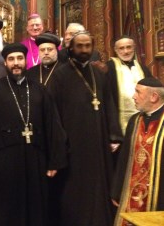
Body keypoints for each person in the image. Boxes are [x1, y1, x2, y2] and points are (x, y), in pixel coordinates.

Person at [0, 43, 67, 226]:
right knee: (5, 208)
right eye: (11, 59)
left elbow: (52, 125)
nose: (16, 63)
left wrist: (55, 159)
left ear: (25, 61)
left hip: (35, 157)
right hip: (3, 160)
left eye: (19, 58)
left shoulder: (39, 90)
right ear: (5, 63)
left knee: (35, 207)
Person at [47, 31, 123, 226]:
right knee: (76, 189)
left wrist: (114, 135)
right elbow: (53, 113)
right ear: (71, 48)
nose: (83, 50)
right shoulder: (60, 76)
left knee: (99, 185)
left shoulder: (99, 73)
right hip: (73, 143)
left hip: (98, 141)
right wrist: (60, 142)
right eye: (79, 46)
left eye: (87, 46)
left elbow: (110, 104)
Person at [111, 77, 164, 225]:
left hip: (159, 197)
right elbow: (123, 158)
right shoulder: (134, 121)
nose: (133, 96)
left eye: (138, 92)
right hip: (131, 194)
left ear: (153, 97)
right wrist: (117, 190)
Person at [106, 35, 152, 135]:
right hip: (118, 125)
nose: (126, 51)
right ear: (115, 50)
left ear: (134, 47)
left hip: (143, 122)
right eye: (121, 48)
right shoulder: (109, 68)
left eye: (129, 47)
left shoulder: (142, 68)